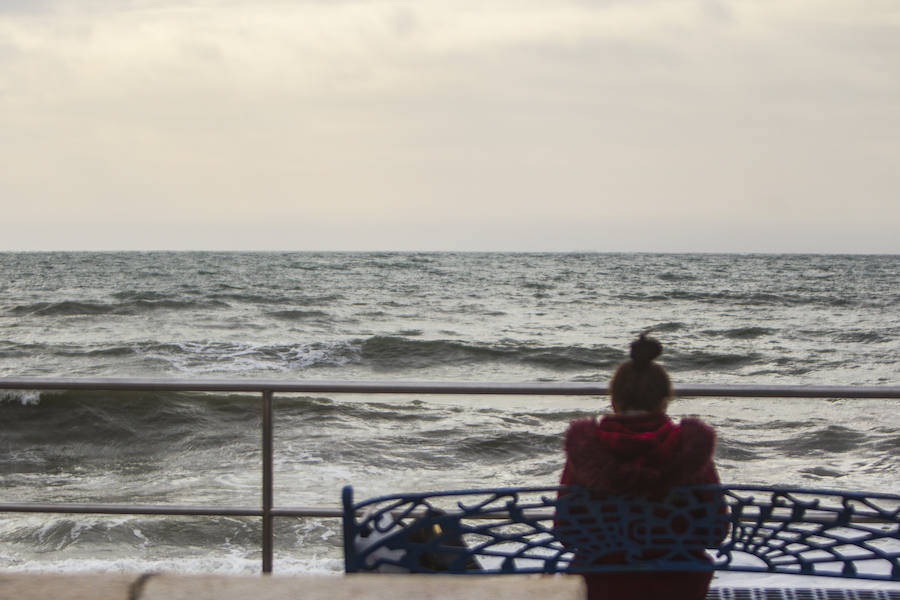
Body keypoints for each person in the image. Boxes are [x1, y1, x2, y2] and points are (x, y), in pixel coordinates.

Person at [558, 333, 721, 600]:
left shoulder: (586, 449)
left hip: (601, 584)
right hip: (680, 584)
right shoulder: (692, 448)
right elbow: (716, 530)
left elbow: (566, 530)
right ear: (664, 399)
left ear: (614, 399)